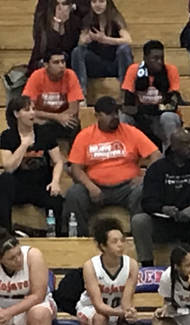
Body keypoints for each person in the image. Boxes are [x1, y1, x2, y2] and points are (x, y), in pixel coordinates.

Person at [63, 96, 162, 237]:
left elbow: (156, 154)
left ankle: (140, 237)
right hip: (96, 186)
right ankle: (78, 238)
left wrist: (145, 175)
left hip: (127, 187)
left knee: (143, 190)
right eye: (109, 114)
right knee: (74, 193)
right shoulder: (84, 136)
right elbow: (76, 168)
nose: (114, 117)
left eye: (116, 113)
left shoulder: (130, 131)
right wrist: (90, 187)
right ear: (97, 115)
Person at [132, 130, 190, 266]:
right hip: (164, 222)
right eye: (185, 144)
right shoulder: (157, 168)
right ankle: (147, 265)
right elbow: (147, 201)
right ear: (173, 146)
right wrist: (163, 209)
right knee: (139, 220)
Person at [76, 218, 141, 325]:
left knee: (131, 322)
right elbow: (98, 305)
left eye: (122, 240)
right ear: (103, 246)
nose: (120, 245)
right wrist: (120, 312)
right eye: (115, 241)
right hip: (90, 309)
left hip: (116, 309)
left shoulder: (132, 265)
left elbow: (127, 300)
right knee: (100, 319)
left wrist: (128, 312)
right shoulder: (90, 266)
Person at [0, 94, 66, 237]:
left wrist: (55, 181)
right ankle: (4, 230)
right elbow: (8, 167)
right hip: (19, 187)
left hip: (41, 185)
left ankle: (56, 235)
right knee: (4, 179)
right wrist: (23, 146)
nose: (32, 113)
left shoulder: (44, 132)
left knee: (57, 199)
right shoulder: (8, 136)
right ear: (16, 114)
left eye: (33, 109)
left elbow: (58, 161)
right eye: (27, 110)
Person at [121, 40, 184, 147]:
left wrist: (143, 109)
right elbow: (128, 104)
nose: (159, 62)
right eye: (155, 58)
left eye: (161, 58)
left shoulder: (170, 70)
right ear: (145, 59)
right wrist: (142, 112)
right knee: (123, 117)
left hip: (160, 118)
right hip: (140, 118)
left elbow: (171, 105)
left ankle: (170, 155)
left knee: (168, 117)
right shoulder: (134, 70)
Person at [71, 0, 134, 89]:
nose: (97, 5)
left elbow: (128, 40)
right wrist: (87, 39)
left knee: (124, 49)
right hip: (97, 63)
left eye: (101, 1)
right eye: (94, 1)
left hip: (115, 63)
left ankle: (126, 91)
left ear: (107, 3)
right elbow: (80, 42)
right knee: (77, 51)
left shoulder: (115, 18)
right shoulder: (88, 19)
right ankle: (80, 92)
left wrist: (105, 40)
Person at [22, 50, 84, 144]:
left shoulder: (70, 75)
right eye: (56, 62)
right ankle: (41, 157)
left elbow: (73, 109)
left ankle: (73, 157)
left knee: (74, 124)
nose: (61, 66)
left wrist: (59, 118)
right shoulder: (36, 76)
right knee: (38, 125)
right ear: (46, 65)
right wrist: (56, 117)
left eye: (63, 62)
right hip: (43, 120)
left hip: (62, 119)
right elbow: (28, 108)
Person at [27, 0, 82, 74]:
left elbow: (70, 48)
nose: (60, 8)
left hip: (66, 64)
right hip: (45, 63)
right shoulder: (44, 23)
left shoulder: (74, 22)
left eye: (64, 4)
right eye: (57, 4)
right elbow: (51, 50)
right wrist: (57, 23)